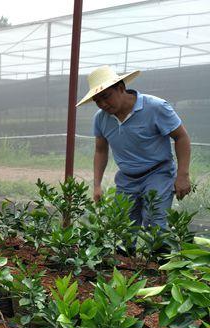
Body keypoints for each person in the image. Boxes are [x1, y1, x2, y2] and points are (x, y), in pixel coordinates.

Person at [78, 65, 191, 231]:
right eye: (97, 101)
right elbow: (100, 151)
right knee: (123, 229)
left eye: (106, 96)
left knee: (155, 225)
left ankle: (158, 256)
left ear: (121, 87)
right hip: (127, 178)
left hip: (158, 173)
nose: (103, 104)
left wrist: (182, 175)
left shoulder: (156, 107)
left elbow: (181, 137)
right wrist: (97, 185)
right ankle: (127, 257)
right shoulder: (101, 119)